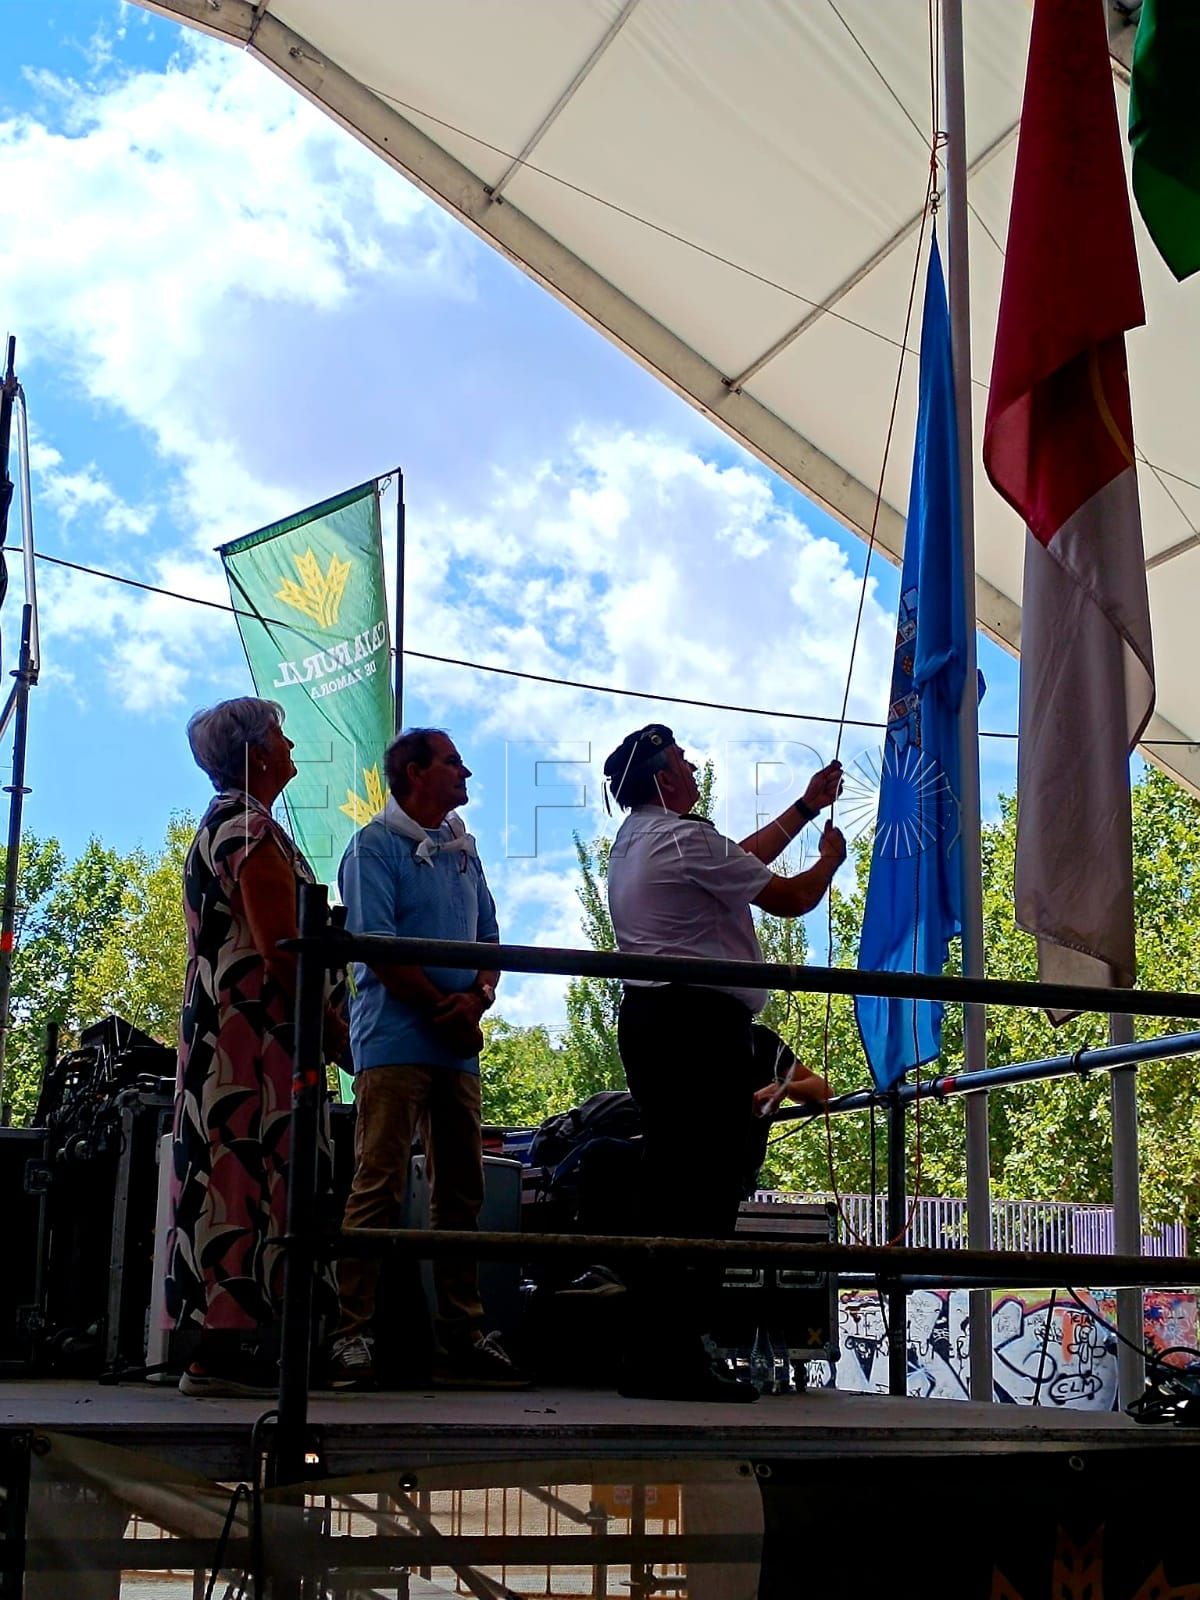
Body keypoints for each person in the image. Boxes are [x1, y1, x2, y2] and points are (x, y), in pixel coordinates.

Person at [603, 723, 845, 1402]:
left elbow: (737, 861)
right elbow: (789, 898)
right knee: (706, 1189)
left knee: (670, 1183)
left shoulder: (639, 840)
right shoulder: (686, 838)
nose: (692, 767)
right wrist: (829, 860)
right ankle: (678, 1356)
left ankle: (654, 1350)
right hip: (698, 1026)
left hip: (653, 1020)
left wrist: (804, 807)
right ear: (664, 780)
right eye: (682, 761)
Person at [328, 728, 527, 1390]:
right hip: (392, 1042)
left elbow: (490, 940)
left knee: (462, 1187)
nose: (465, 772)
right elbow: (376, 945)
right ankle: (350, 1334)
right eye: (452, 762)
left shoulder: (464, 852)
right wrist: (452, 1010)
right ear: (414, 773)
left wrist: (478, 998)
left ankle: (463, 1333)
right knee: (379, 1180)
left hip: (455, 1046)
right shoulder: (373, 847)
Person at [167, 697, 345, 1398]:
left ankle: (229, 1350)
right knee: (244, 1179)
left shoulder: (232, 823)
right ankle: (223, 1354)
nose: (290, 743)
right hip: (252, 1046)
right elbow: (280, 947)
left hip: (240, 1038)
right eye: (280, 733)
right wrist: (339, 1036)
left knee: (236, 1179)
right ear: (256, 753)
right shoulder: (247, 828)